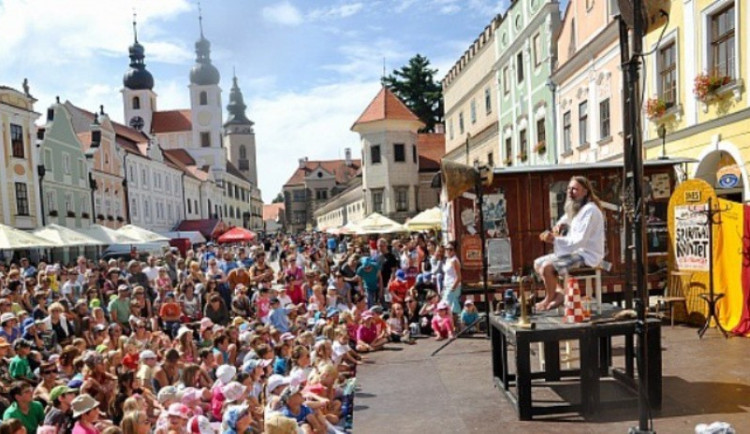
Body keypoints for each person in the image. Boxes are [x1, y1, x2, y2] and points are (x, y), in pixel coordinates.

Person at [534, 176, 605, 311]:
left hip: (587, 255)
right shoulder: (578, 209)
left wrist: (554, 239)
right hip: (576, 252)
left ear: (585, 192)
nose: (570, 192)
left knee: (547, 268)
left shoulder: (590, 210)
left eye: (574, 189)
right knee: (537, 263)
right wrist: (557, 227)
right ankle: (560, 293)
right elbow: (565, 218)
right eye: (569, 189)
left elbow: (580, 240)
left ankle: (548, 298)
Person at [441, 241, 462, 316]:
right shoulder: (447, 260)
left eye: (450, 249)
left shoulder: (454, 260)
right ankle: (454, 326)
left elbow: (459, 277)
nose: (448, 251)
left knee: (445, 307)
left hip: (453, 286)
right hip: (447, 286)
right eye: (446, 249)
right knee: (451, 309)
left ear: (454, 250)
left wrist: (452, 289)